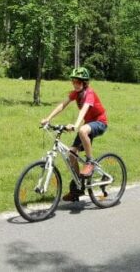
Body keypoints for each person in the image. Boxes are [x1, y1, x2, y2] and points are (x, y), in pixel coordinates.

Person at [40, 66, 109, 202]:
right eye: (73, 81)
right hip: (88, 124)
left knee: (83, 130)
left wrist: (76, 125)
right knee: (71, 154)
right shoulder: (75, 94)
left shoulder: (89, 93)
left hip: (100, 122)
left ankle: (90, 162)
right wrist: (48, 118)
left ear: (84, 82)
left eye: (77, 82)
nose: (74, 84)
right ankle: (78, 188)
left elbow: (84, 109)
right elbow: (62, 105)